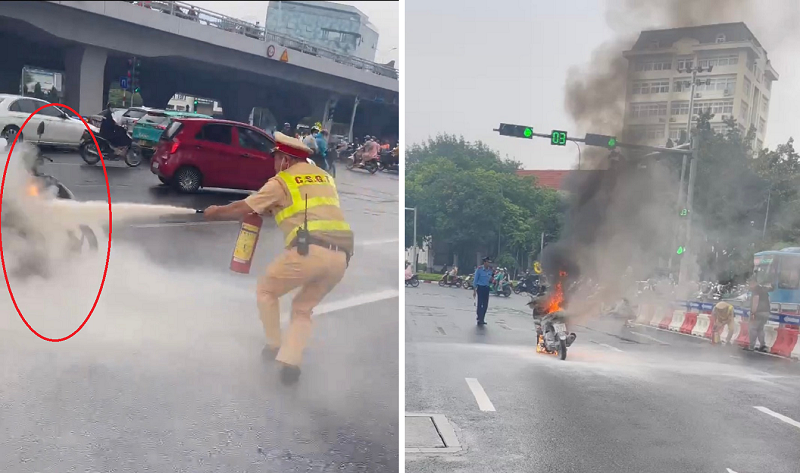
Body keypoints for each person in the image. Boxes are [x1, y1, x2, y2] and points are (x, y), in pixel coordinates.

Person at [203, 132, 353, 384]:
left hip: (310, 252)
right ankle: (291, 363)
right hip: (342, 257)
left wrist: (215, 212)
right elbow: (309, 207)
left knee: (266, 290)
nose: (273, 164)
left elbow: (244, 208)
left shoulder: (281, 181)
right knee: (303, 308)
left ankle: (274, 345)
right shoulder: (325, 177)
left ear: (285, 159)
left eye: (276, 158)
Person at [746, 279, 771, 352]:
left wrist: (753, 312)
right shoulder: (764, 290)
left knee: (752, 328)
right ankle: (762, 345)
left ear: (753, 283)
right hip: (766, 312)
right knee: (760, 329)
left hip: (758, 312)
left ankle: (751, 346)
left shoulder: (755, 290)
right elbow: (769, 299)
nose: (750, 286)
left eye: (750, 284)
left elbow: (756, 301)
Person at [473, 258, 493, 325]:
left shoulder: (490, 270)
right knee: (480, 304)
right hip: (480, 288)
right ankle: (479, 317)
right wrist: (474, 290)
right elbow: (475, 279)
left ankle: (482, 318)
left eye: (489, 262)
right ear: (484, 262)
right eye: (487, 262)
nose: (488, 263)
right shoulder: (479, 269)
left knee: (485, 305)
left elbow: (491, 280)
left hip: (486, 288)